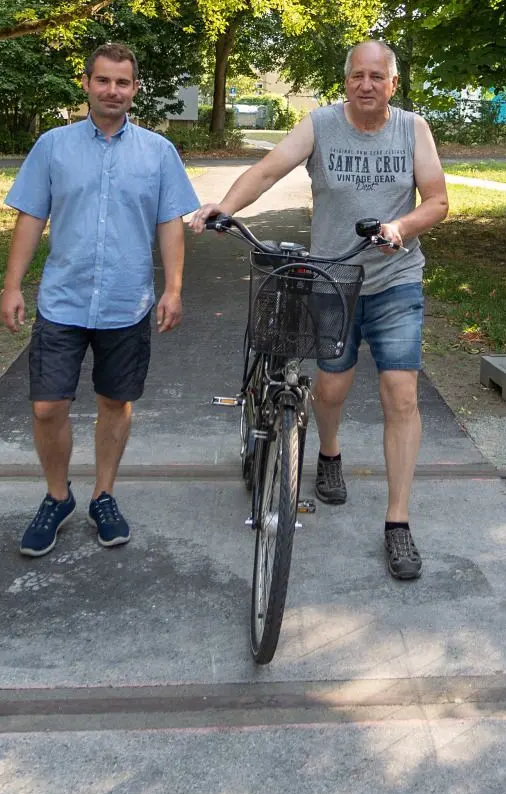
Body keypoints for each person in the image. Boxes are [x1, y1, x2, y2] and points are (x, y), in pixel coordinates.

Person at [190, 40, 448, 580]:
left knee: (401, 392)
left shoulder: (412, 128)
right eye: (358, 75)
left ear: (393, 84)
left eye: (378, 76)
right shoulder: (320, 125)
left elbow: (437, 201)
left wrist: (400, 227)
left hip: (396, 280)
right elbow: (267, 171)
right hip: (334, 279)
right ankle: (328, 454)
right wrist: (225, 206)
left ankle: (397, 523)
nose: (367, 84)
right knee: (331, 388)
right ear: (346, 81)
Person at [0, 42, 200, 557]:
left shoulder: (158, 152)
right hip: (62, 301)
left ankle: (103, 494)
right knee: (48, 406)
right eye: (104, 81)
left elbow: (170, 225)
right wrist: (11, 285)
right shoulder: (52, 146)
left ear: (135, 89)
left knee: (115, 401)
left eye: (123, 83)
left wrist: (173, 289)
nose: (113, 91)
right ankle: (57, 496)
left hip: (125, 303)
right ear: (86, 84)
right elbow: (29, 217)